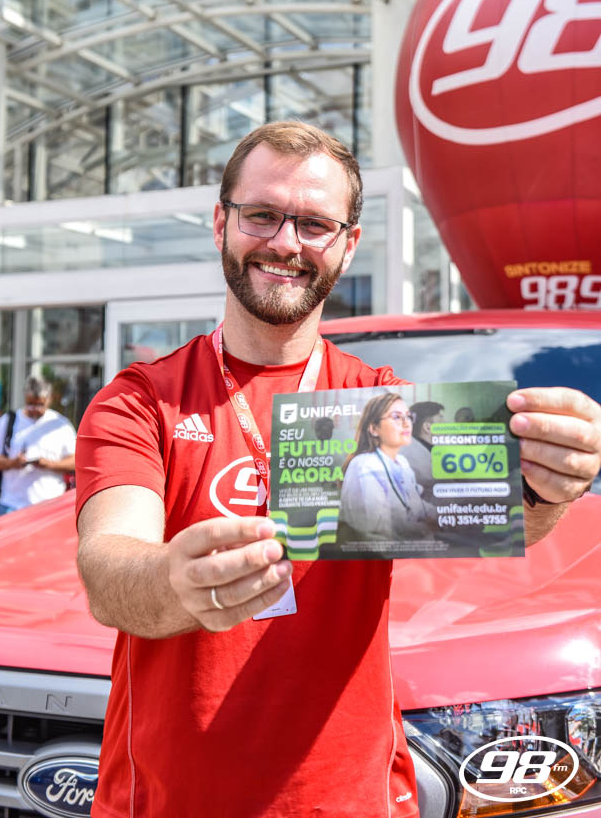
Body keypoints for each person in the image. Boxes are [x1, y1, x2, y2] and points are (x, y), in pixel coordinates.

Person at [75, 120, 601, 818]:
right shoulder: (142, 399)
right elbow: (108, 567)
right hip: (166, 801)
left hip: (349, 800)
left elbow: (506, 516)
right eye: (261, 215)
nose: (285, 243)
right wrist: (172, 580)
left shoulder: (381, 402)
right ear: (221, 224)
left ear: (348, 245)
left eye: (314, 224)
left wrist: (549, 482)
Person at [339, 393, 433, 541]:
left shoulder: (402, 462)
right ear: (373, 428)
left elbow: (417, 507)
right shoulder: (363, 464)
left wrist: (443, 516)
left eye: (408, 416)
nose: (407, 423)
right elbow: (377, 528)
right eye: (396, 417)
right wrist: (424, 528)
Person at [0, 375, 76, 516]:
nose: (34, 409)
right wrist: (12, 463)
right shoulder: (8, 420)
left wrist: (49, 464)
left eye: (40, 404)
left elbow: (76, 461)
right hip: (12, 504)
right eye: (30, 404)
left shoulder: (60, 424)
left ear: (49, 399)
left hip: (50, 505)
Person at [401, 400, 445, 501]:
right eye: (441, 419)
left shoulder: (433, 449)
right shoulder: (412, 455)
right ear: (427, 427)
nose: (446, 423)